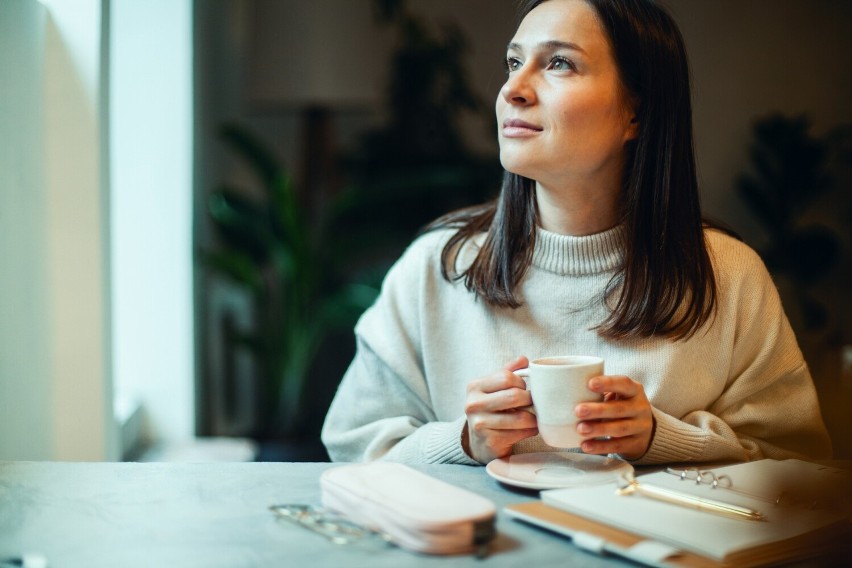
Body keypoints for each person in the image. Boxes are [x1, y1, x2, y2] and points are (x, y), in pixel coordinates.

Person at [321, 0, 832, 465]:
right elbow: (351, 444)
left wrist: (661, 437)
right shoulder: (438, 266)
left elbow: (799, 461)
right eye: (514, 62)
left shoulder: (728, 275)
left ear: (637, 111)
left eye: (559, 63)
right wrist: (462, 442)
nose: (512, 91)